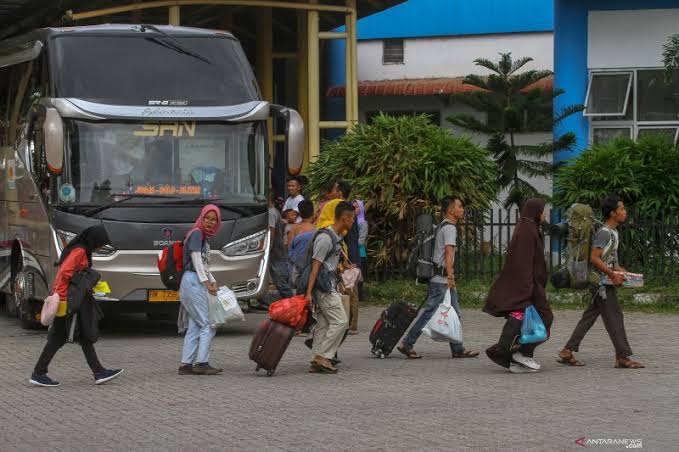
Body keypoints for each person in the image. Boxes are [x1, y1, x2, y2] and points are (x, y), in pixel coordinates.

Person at [558, 196, 645, 369]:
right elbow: (594, 258)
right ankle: (623, 356)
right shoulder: (604, 233)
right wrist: (612, 275)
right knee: (614, 316)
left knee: (590, 316)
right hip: (601, 283)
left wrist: (623, 272)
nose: (625, 212)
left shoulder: (613, 233)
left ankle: (567, 350)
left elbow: (611, 261)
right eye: (622, 209)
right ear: (613, 213)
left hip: (605, 280)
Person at [30, 226, 123, 387]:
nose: (100, 247)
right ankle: (39, 373)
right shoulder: (79, 251)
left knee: (81, 336)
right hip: (68, 299)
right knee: (60, 337)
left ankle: (98, 371)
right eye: (100, 244)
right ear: (94, 240)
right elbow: (66, 272)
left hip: (70, 298)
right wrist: (84, 279)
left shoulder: (81, 249)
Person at [398, 196, 479, 359]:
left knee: (455, 312)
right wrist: (450, 276)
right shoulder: (450, 228)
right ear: (451, 210)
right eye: (460, 206)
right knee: (429, 313)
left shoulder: (442, 225)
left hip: (441, 278)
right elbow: (448, 252)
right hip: (441, 279)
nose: (462, 209)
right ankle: (407, 343)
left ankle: (458, 348)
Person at [483, 198, 554, 373]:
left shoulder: (529, 227)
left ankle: (514, 356)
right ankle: (522, 354)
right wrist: (527, 289)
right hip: (529, 286)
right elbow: (522, 263)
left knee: (535, 321)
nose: (545, 214)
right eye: (543, 210)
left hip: (532, 284)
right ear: (536, 212)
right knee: (545, 318)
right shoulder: (526, 231)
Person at [305, 201, 355, 374]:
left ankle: (315, 358)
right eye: (352, 218)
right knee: (341, 321)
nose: (353, 222)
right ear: (345, 217)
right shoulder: (325, 238)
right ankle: (323, 356)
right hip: (323, 288)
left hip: (327, 284)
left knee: (324, 323)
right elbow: (315, 267)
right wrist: (308, 293)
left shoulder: (336, 237)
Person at [178, 204, 223, 376]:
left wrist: (213, 281)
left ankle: (185, 364)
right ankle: (202, 363)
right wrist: (206, 283)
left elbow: (204, 265)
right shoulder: (197, 233)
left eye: (214, 220)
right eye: (207, 218)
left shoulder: (202, 235)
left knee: (195, 324)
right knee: (208, 324)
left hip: (193, 280)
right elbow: (196, 259)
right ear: (201, 218)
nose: (210, 222)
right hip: (193, 281)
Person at [259, 193, 294, 309]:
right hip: (276, 250)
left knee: (279, 278)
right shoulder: (274, 212)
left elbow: (271, 231)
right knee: (275, 276)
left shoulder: (271, 213)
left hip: (275, 250)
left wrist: (268, 248)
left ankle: (292, 301)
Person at [354, 199, 369, 302]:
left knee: (359, 273)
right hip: (352, 250)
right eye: (353, 207)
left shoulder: (363, 223)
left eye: (356, 207)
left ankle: (360, 295)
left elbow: (361, 240)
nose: (354, 209)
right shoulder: (351, 220)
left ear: (361, 208)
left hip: (360, 251)